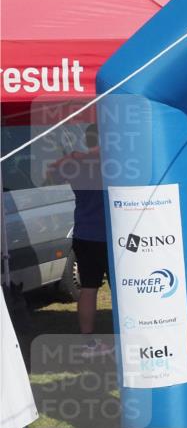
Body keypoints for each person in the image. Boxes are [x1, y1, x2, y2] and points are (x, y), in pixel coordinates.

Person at [46, 124, 110, 353]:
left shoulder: (77, 162)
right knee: (125, 289)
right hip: (114, 236)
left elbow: (50, 175)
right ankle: (131, 338)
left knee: (88, 289)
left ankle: (88, 342)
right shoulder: (118, 161)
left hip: (85, 234)